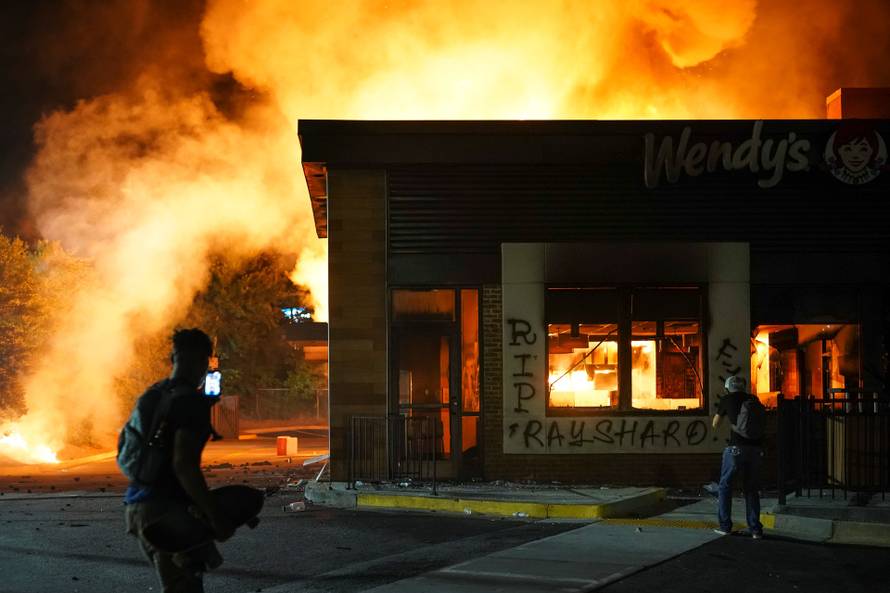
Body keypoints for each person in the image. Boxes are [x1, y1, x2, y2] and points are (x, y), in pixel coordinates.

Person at [123, 328, 264, 592]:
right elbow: (183, 465)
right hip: (166, 515)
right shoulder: (190, 404)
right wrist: (216, 516)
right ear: (204, 361)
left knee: (186, 582)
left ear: (172, 357)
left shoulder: (152, 395)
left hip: (137, 508)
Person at [711, 375, 763, 539]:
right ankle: (755, 530)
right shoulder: (753, 399)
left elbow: (715, 424)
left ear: (728, 387)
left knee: (725, 487)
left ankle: (725, 526)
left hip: (735, 449)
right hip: (755, 449)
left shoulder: (727, 399)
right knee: (751, 489)